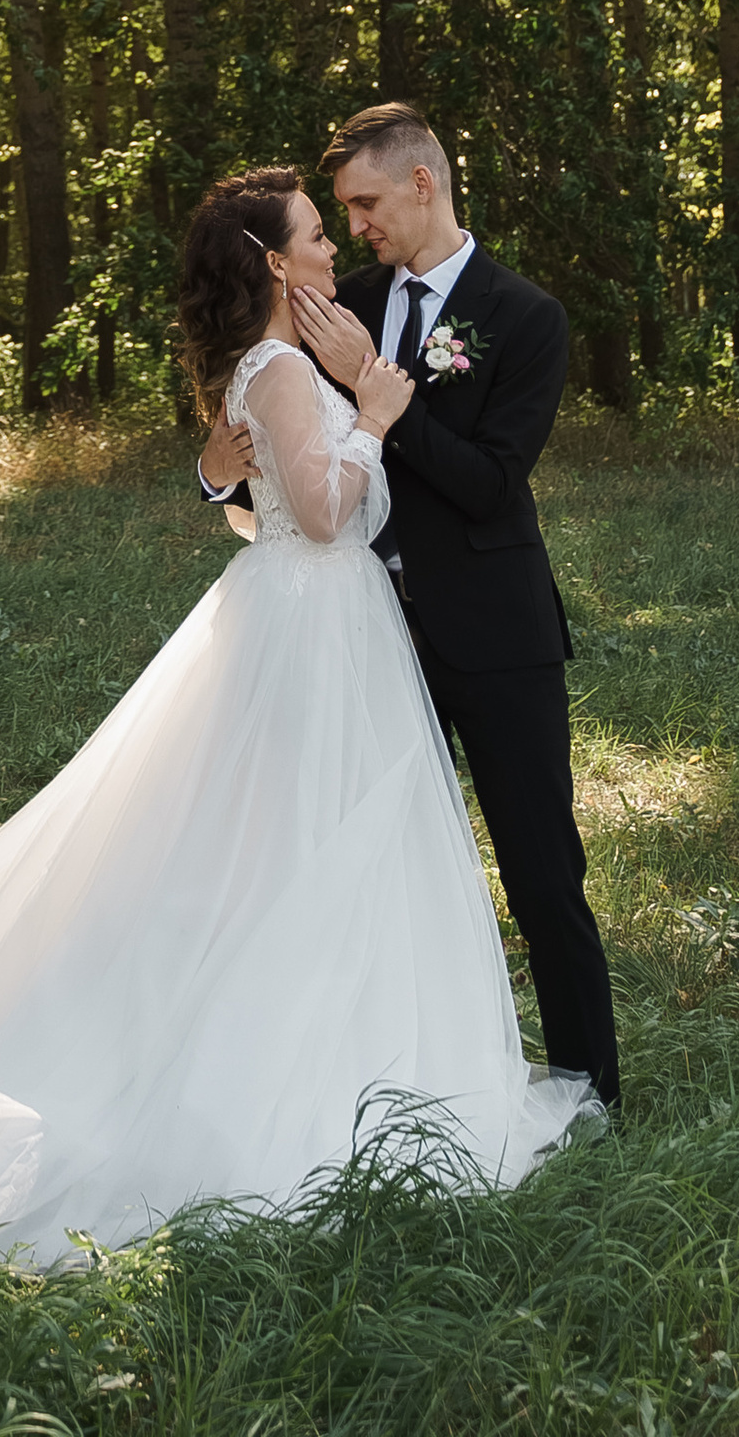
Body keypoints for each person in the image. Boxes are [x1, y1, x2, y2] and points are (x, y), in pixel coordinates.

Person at [0, 165, 595, 1259]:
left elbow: (265, 508)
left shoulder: (323, 337)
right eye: (320, 232)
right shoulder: (293, 357)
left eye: (345, 221)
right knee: (300, 849)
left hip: (326, 621)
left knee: (305, 852)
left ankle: (342, 1040)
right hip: (320, 622)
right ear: (275, 261)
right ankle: (287, 1068)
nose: (341, 245)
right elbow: (321, 517)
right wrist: (371, 419)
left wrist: (250, 467)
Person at [197, 101, 619, 1110]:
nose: (354, 229)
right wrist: (213, 478)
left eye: (366, 202)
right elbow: (276, 426)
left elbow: (487, 482)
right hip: (360, 638)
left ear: (422, 184)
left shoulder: (526, 317)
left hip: (494, 633)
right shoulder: (334, 301)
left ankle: (590, 1088)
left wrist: (375, 387)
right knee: (360, 860)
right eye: (337, 212)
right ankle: (373, 1082)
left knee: (539, 868)